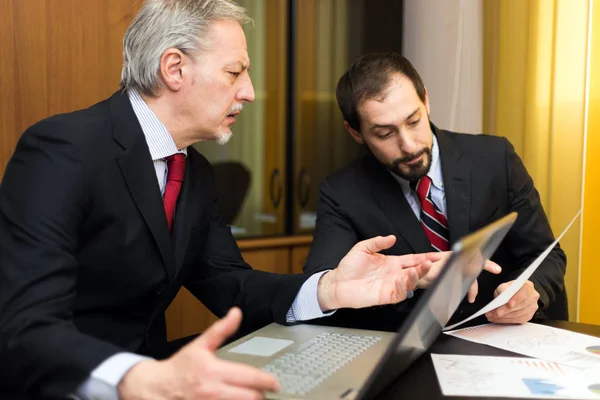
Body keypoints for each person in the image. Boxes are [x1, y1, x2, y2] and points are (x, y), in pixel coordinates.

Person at [0, 4, 442, 400]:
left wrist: (330, 289)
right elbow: (28, 325)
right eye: (235, 72)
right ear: (174, 68)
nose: (248, 91)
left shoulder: (195, 172)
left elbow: (230, 283)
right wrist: (135, 378)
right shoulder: (62, 148)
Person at [304, 52, 567, 332]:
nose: (408, 145)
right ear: (355, 132)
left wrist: (529, 290)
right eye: (385, 134)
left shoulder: (494, 159)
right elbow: (322, 289)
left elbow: (546, 254)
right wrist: (405, 278)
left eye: (414, 121)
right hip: (409, 349)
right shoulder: (342, 193)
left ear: (426, 101)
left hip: (500, 336)